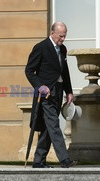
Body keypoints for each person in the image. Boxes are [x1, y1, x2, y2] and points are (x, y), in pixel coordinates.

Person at [25, 22, 77, 168]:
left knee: (49, 127)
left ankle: (38, 161)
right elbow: (29, 71)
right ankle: (64, 159)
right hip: (45, 94)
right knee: (54, 125)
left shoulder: (63, 49)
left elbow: (64, 71)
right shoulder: (41, 47)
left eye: (65, 35)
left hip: (58, 92)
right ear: (52, 33)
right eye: (61, 36)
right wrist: (40, 86)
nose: (63, 39)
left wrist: (69, 92)